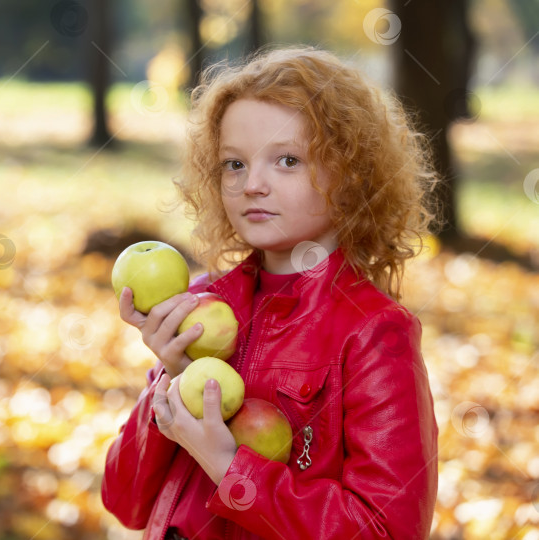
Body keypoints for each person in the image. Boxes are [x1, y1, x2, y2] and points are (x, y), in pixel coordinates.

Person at [101, 46, 440, 539]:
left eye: (286, 160)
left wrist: (229, 467)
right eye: (233, 164)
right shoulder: (201, 305)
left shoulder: (373, 331)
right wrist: (171, 382)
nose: (252, 184)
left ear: (348, 175)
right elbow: (125, 501)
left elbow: (387, 529)